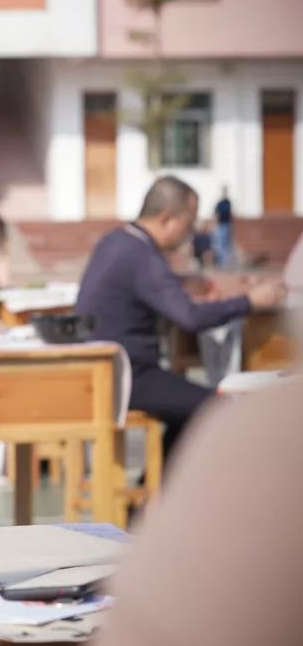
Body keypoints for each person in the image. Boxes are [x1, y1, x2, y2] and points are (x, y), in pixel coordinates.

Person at [76, 177, 285, 459]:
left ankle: (153, 493)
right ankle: (161, 496)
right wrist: (250, 301)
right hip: (128, 376)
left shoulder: (117, 240)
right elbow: (190, 318)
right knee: (216, 409)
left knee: (188, 410)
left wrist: (182, 281)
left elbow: (145, 286)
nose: (191, 231)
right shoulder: (143, 256)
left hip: (102, 369)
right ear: (168, 220)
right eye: (190, 222)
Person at [96, 378, 303, 646]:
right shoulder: (272, 427)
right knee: (209, 405)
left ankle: (163, 490)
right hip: (140, 378)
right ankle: (162, 489)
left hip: (130, 377)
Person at [213, 185, 234, 267]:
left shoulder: (228, 202)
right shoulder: (220, 203)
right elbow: (216, 214)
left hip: (227, 224)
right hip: (221, 225)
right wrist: (215, 224)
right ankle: (222, 262)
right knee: (221, 244)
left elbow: (230, 213)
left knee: (227, 244)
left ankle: (226, 262)